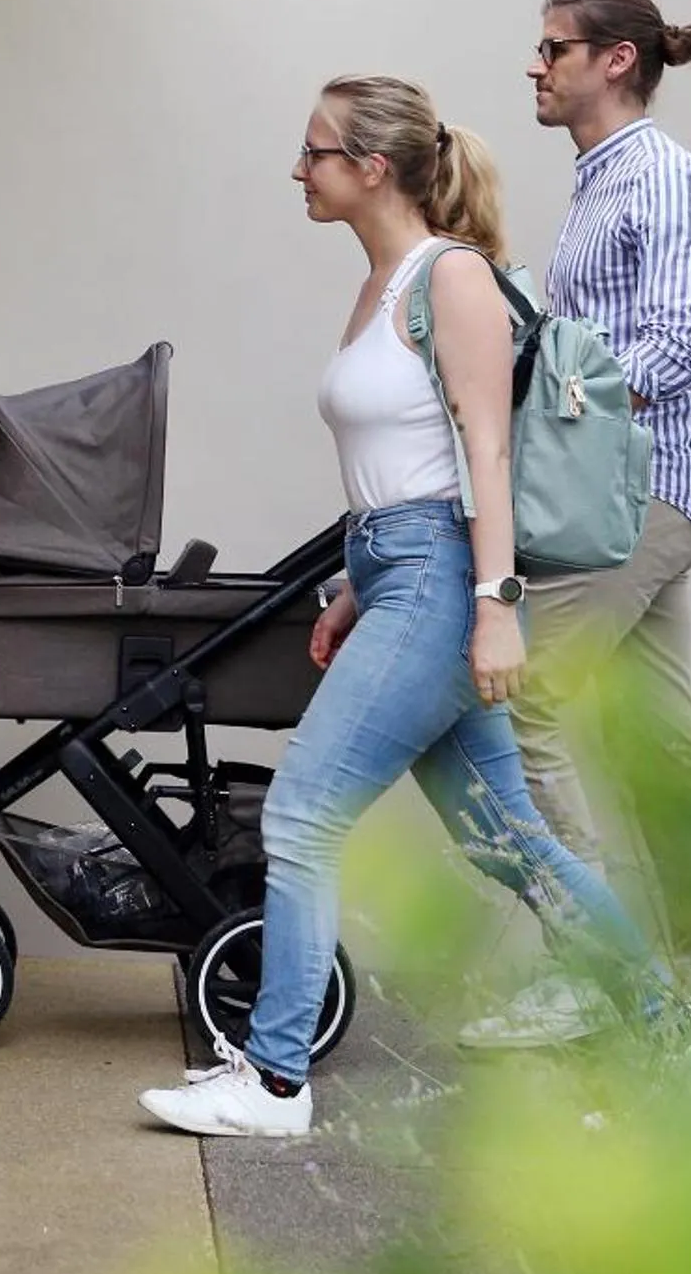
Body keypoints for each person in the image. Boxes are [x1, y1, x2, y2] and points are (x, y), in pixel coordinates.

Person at [138, 75, 659, 1139]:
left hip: (443, 579)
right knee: (509, 840)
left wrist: (495, 604)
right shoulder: (381, 283)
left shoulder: (450, 278)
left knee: (302, 814)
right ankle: (665, 1035)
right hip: (395, 572)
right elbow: (397, 467)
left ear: (372, 167)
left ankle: (275, 1082)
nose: (297, 169)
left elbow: (486, 453)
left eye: (314, 151)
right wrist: (348, 584)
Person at [457, 0, 691, 1053]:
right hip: (632, 491)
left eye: (552, 48)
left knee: (529, 702)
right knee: (660, 753)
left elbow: (675, 350)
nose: (536, 65)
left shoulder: (661, 179)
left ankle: (592, 975)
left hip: (635, 495)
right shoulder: (603, 179)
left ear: (615, 60)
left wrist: (541, 396)